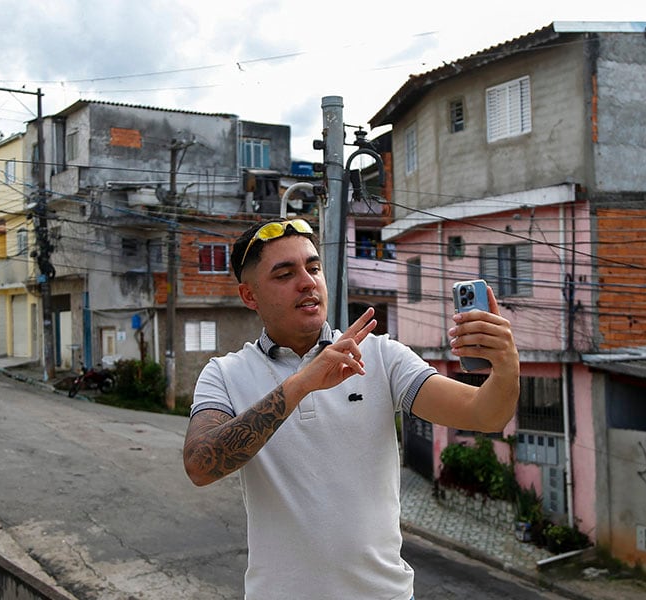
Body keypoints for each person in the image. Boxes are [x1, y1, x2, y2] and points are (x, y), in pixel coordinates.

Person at [183, 218, 519, 599]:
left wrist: (507, 365)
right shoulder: (225, 374)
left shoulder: (380, 355)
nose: (308, 281)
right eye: (284, 274)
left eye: (313, 267)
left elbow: (484, 414)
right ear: (249, 295)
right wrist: (301, 383)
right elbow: (200, 465)